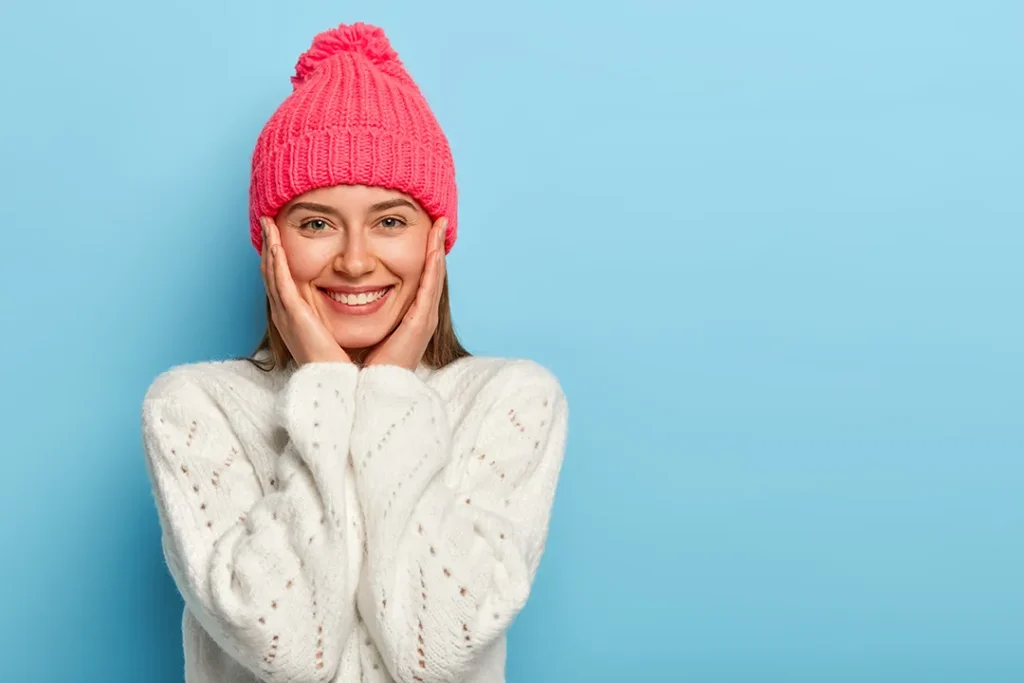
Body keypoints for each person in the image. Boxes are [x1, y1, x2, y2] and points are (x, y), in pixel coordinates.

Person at [140, 21, 568, 683]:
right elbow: (288, 649)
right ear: (270, 242)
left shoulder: (510, 400)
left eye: (390, 221)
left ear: (437, 238)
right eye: (316, 223)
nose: (356, 260)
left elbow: (436, 652)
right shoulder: (192, 408)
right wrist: (328, 386)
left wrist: (388, 388)